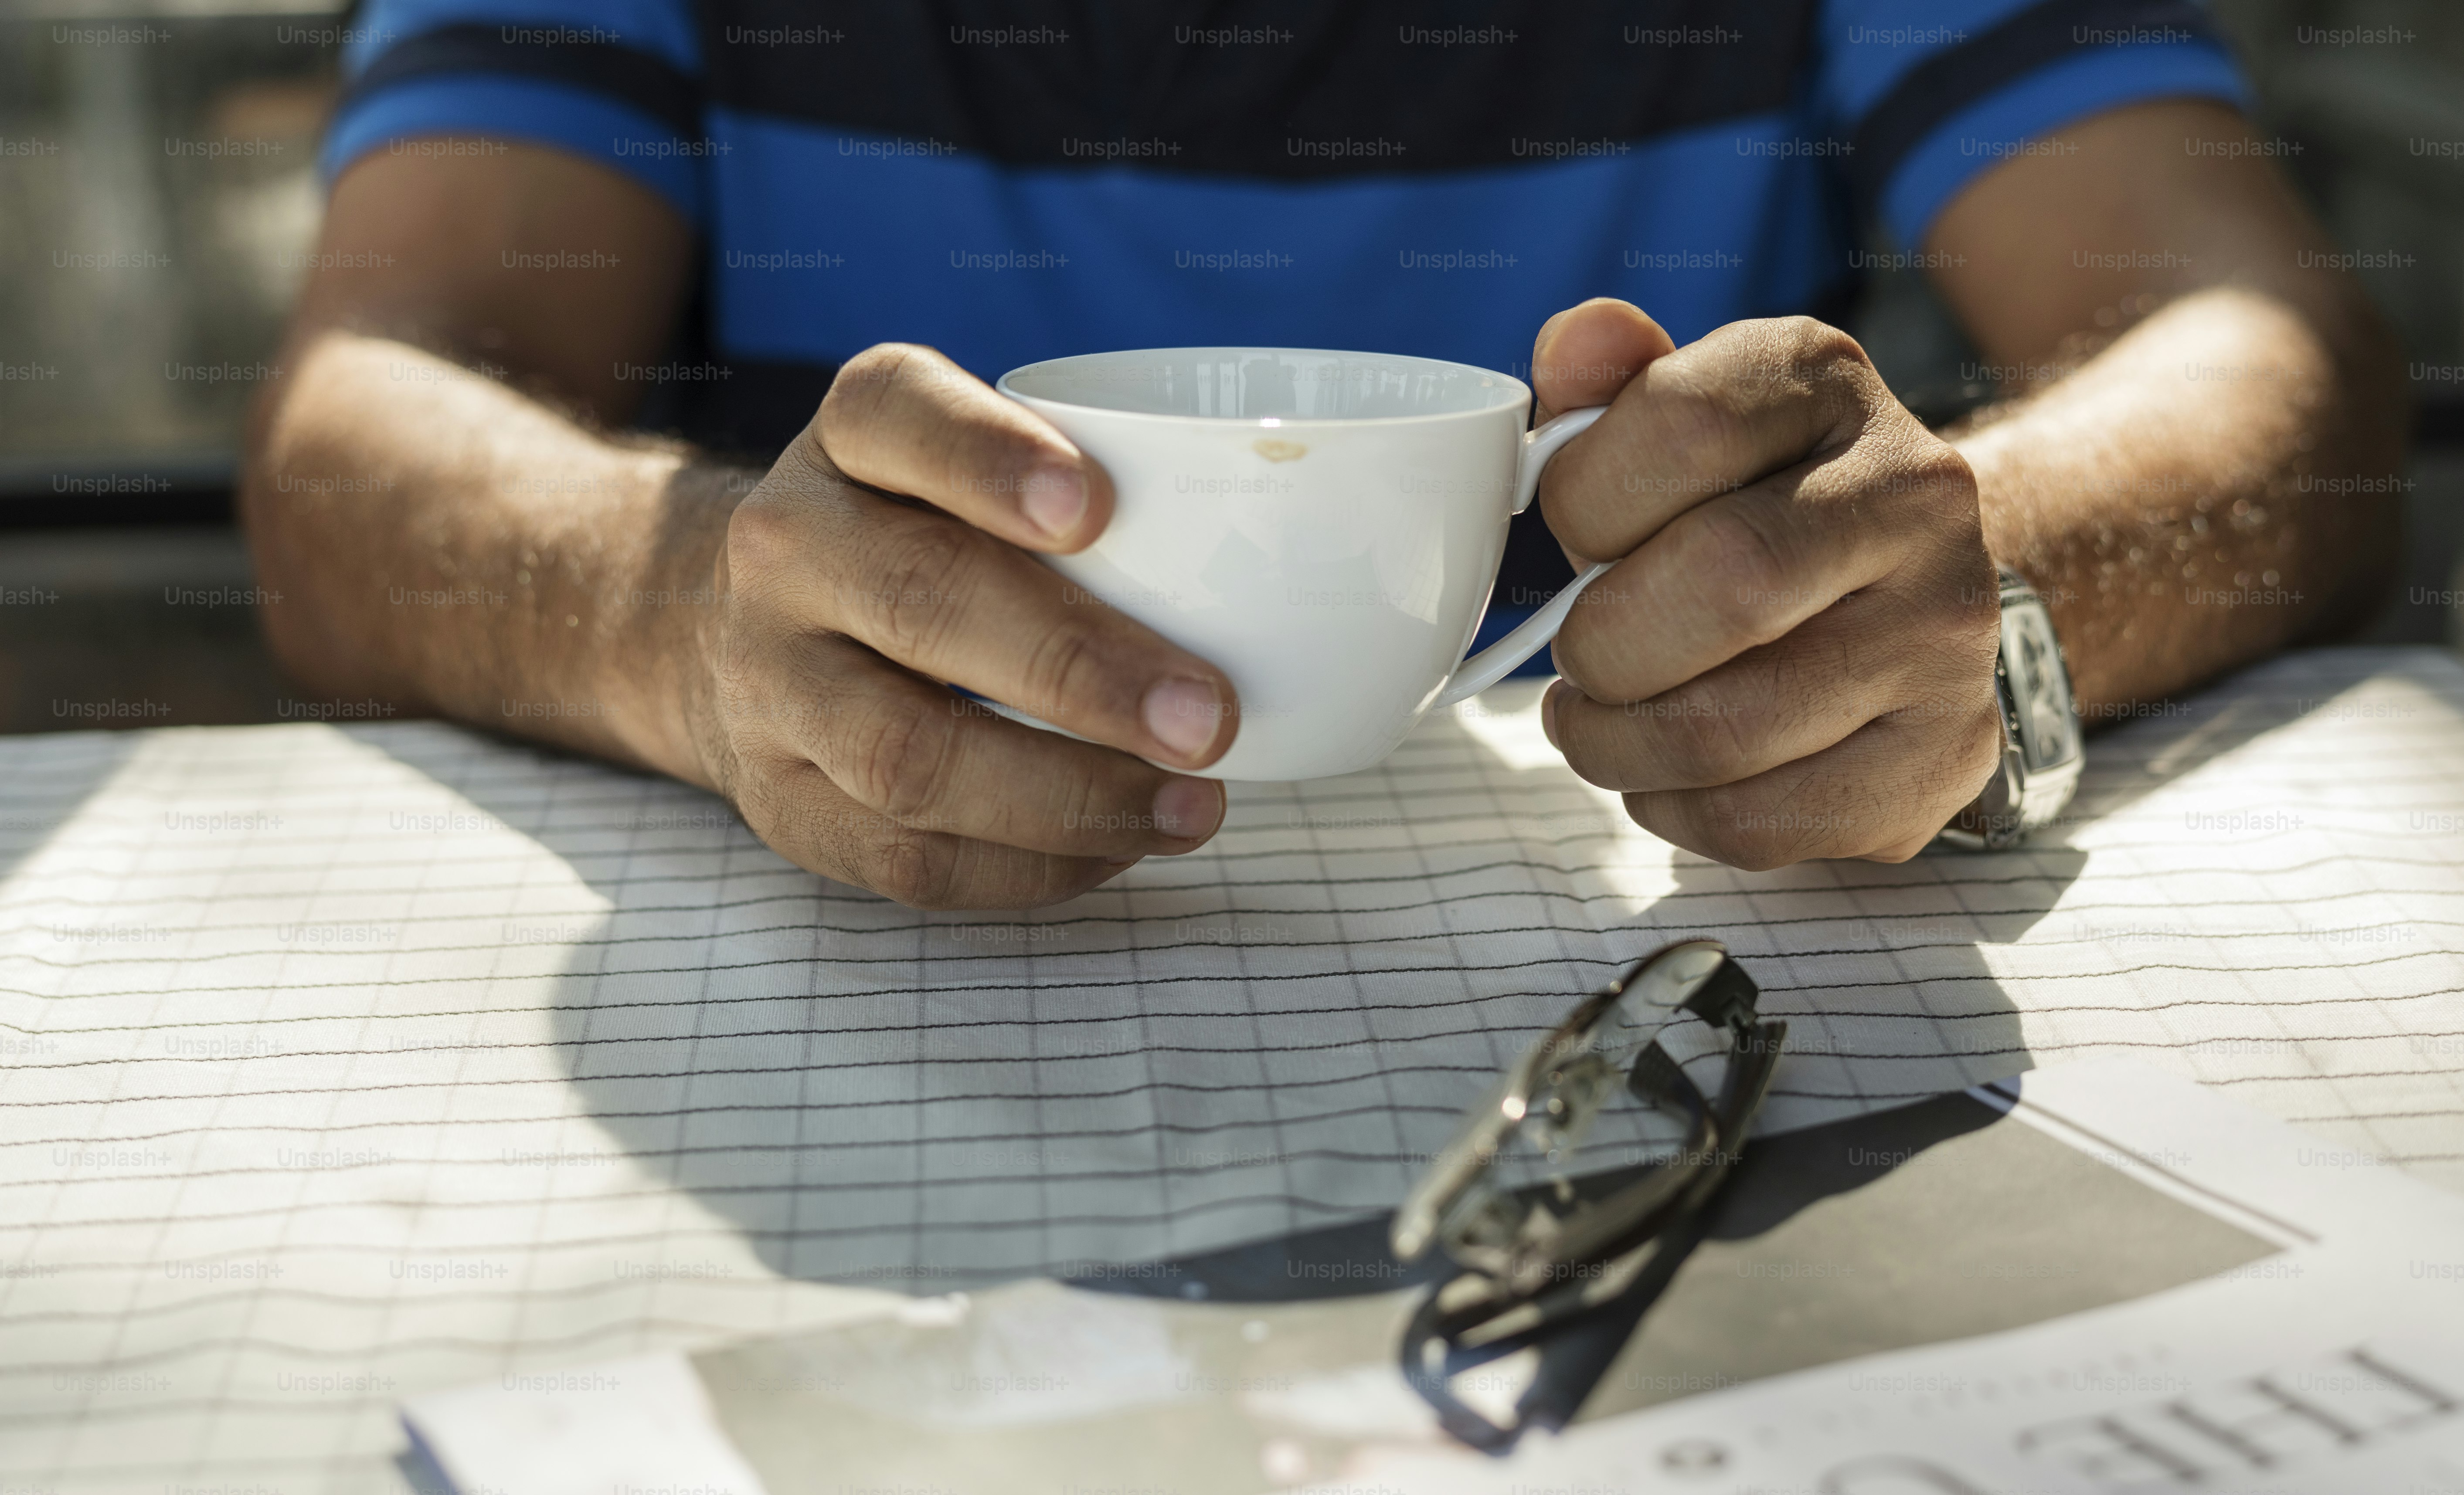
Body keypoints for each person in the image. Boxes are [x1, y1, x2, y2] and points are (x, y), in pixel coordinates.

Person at [245, 2, 2403, 909]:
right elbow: (365, 422)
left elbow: (2259, 343)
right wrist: (688, 630)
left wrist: (1970, 584)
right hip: (879, 968)